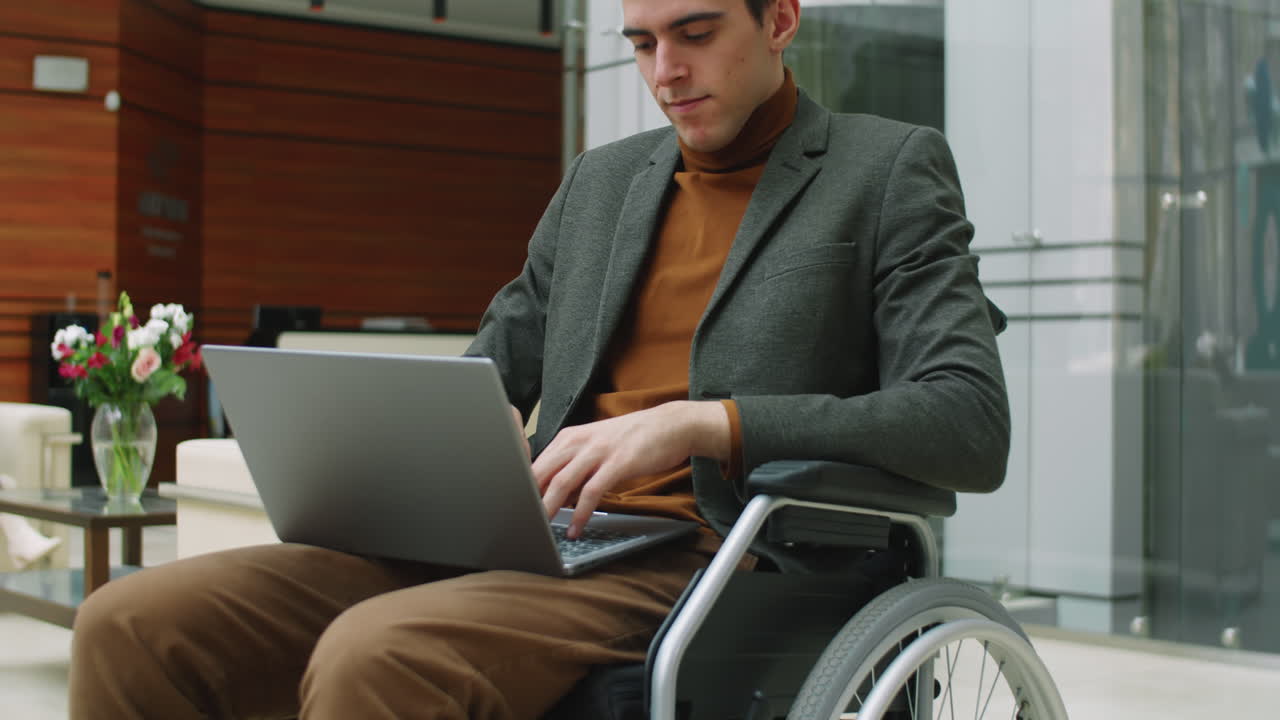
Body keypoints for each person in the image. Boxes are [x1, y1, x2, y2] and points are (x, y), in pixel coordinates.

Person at [69, 0, 1009, 717]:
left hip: (711, 554)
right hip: (539, 533)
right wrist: (393, 451)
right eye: (642, 44)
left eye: (694, 32)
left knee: (379, 655)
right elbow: (496, 361)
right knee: (130, 623)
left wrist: (707, 423)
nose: (666, 71)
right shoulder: (602, 183)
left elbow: (967, 418)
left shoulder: (884, 172)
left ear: (780, 19)